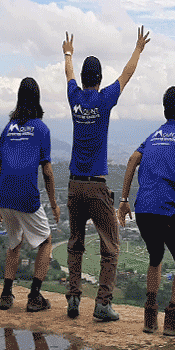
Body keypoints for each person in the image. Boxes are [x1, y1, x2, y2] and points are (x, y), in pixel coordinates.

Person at [62, 26, 150, 321]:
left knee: (75, 244)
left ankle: (73, 299)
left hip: (74, 184)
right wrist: (138, 48)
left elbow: (68, 74)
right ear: (99, 80)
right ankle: (102, 303)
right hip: (96, 185)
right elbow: (126, 75)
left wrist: (68, 52)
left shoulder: (74, 98)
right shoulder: (104, 100)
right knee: (110, 244)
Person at [119, 86, 175, 336]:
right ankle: (173, 316)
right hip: (164, 211)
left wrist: (123, 199)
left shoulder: (153, 136)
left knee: (155, 257)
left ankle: (150, 316)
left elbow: (132, 159)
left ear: (165, 111)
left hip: (142, 210)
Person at [0, 77, 60, 313]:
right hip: (25, 194)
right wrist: (53, 203)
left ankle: (6, 294)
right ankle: (34, 296)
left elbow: (1, 169)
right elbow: (48, 172)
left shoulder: (8, 128)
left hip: (5, 195)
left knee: (14, 243)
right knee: (46, 241)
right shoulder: (41, 129)